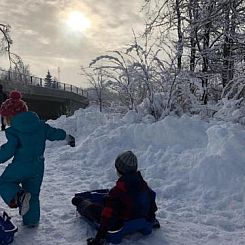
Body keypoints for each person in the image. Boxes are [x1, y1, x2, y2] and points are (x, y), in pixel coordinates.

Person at [0, 90, 75, 227]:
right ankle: (31, 221)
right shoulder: (41, 126)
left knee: (4, 182)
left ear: (10, 116)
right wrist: (67, 137)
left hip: (21, 165)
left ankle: (18, 196)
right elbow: (55, 133)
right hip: (38, 166)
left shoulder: (14, 130)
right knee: (33, 194)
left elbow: (9, 150)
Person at [72, 151, 159, 245]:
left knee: (89, 207)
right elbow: (152, 202)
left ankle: (82, 202)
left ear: (119, 170)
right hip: (140, 217)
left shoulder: (117, 191)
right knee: (109, 199)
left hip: (120, 222)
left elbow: (106, 217)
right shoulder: (143, 185)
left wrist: (98, 239)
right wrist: (152, 219)